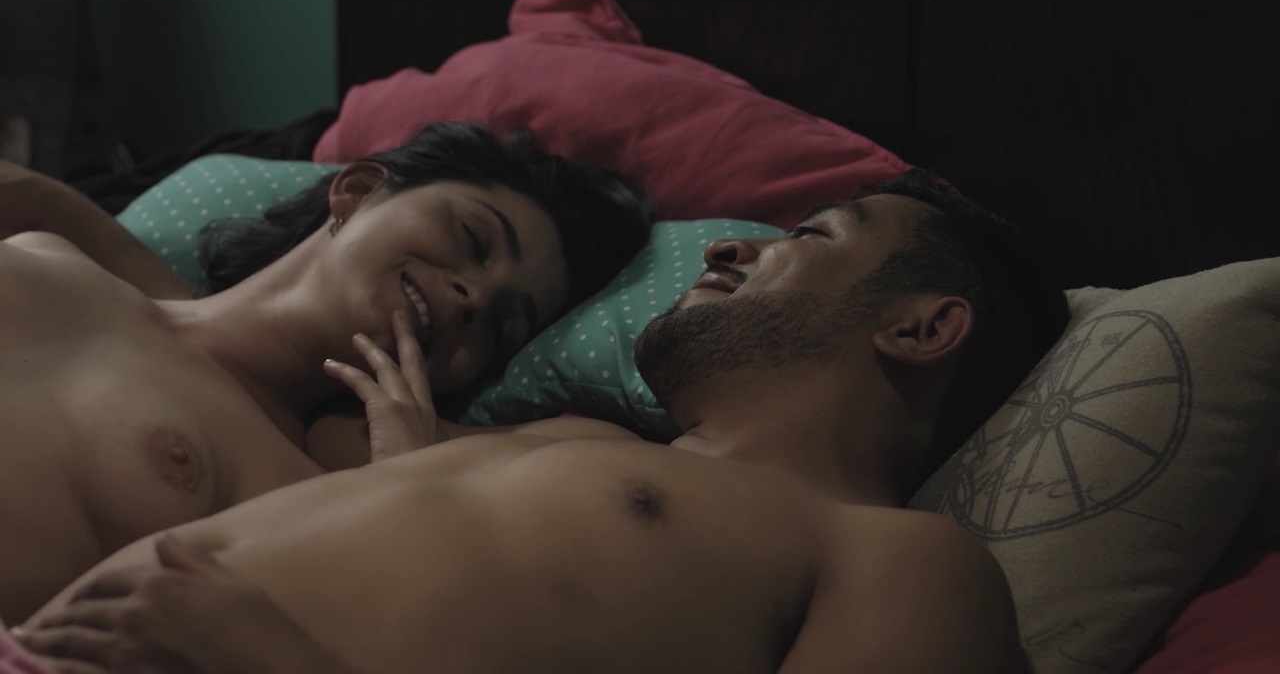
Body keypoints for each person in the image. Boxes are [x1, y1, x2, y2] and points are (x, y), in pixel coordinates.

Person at [15, 169, 1069, 674]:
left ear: (922, 327)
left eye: (812, 235)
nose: (726, 248)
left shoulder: (897, 557)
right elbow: (203, 355)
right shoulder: (564, 440)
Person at [0, 122, 652, 624]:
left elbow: (610, 461)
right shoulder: (52, 257)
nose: (473, 300)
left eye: (501, 327)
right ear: (359, 191)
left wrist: (415, 474)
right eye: (474, 241)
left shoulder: (296, 488)